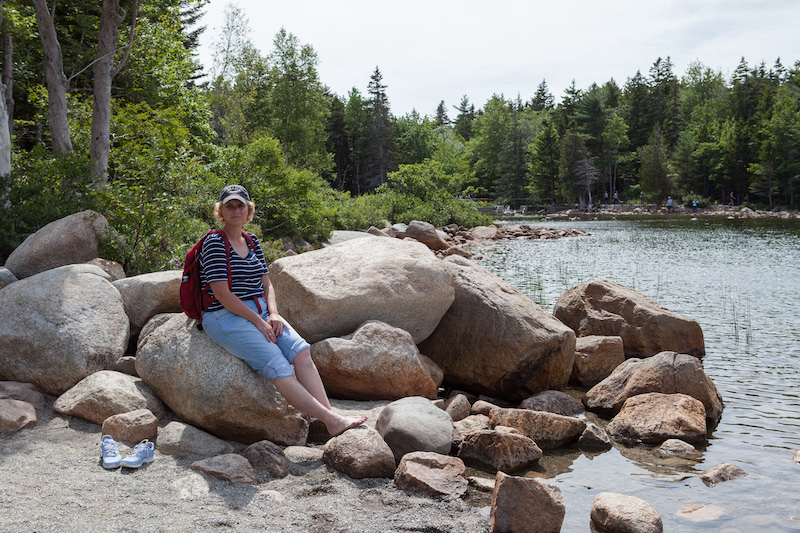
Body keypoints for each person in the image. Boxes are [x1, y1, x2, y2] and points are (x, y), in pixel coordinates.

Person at [199, 185, 367, 437]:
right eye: (229, 206)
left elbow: (266, 283)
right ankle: (331, 419)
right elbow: (222, 294)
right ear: (221, 211)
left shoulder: (252, 240)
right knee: (279, 366)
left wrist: (274, 314)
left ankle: (330, 417)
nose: (236, 210)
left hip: (261, 312)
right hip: (224, 316)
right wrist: (259, 321)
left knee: (301, 352)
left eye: (240, 205)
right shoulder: (213, 243)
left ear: (249, 210)